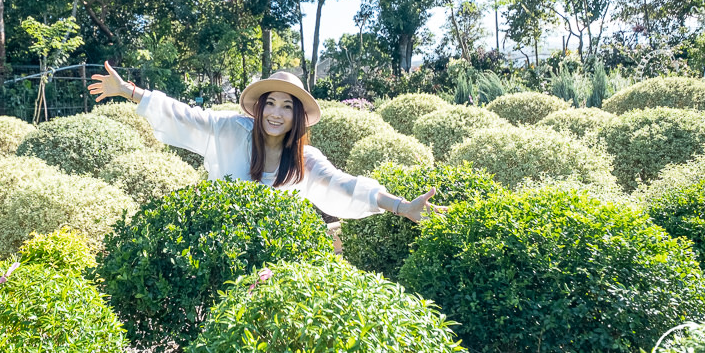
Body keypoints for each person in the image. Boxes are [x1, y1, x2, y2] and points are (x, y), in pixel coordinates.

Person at [88, 62, 443, 224]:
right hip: (220, 239)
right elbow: (185, 115)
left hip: (276, 257)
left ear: (297, 117)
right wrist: (129, 91)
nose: (276, 113)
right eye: (270, 103)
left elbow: (347, 186)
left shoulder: (306, 159)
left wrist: (400, 206)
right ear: (259, 108)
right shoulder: (232, 129)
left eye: (287, 107)